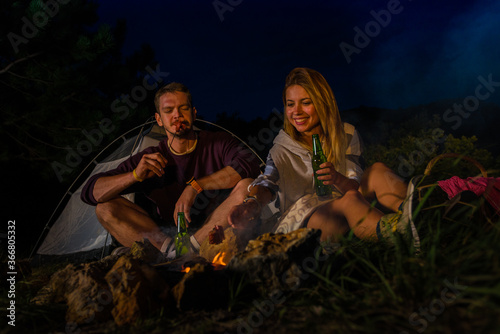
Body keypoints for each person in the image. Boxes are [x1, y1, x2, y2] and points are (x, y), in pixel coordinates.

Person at [228, 67, 417, 245]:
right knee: (350, 201)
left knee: (377, 170)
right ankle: (398, 233)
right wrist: (251, 203)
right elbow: (266, 182)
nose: (297, 112)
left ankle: (415, 211)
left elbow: (354, 183)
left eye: (306, 102)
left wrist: (336, 178)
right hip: (307, 219)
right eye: (290, 104)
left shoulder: (347, 134)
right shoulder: (281, 149)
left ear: (322, 102)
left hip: (347, 197)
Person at [81, 82, 261, 258]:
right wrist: (135, 175)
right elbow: (90, 192)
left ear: (194, 113)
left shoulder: (218, 142)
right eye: (168, 110)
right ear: (159, 119)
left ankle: (188, 249)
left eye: (183, 108)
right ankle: (171, 252)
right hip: (166, 236)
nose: (177, 115)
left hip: (213, 226)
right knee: (104, 208)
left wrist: (195, 186)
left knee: (247, 185)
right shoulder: (151, 158)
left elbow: (249, 164)